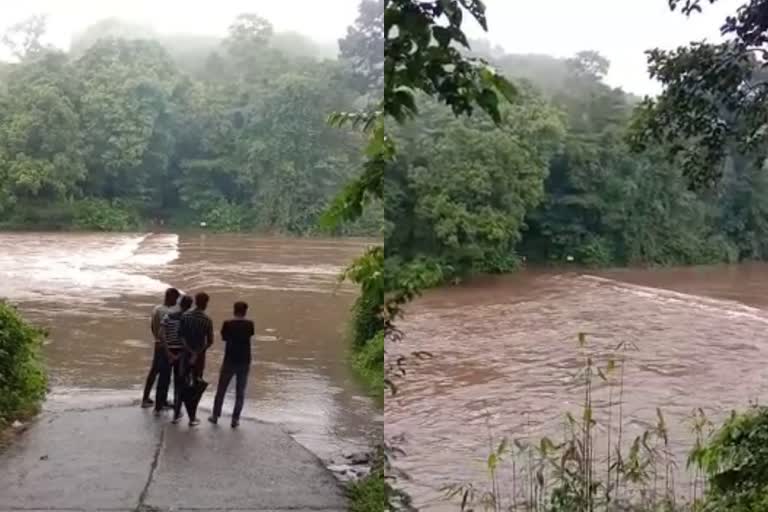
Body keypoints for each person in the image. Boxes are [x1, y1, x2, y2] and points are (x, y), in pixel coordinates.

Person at [209, 301, 255, 428]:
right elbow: (250, 335)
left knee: (221, 389)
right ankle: (235, 419)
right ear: (245, 311)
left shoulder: (227, 324)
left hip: (229, 359)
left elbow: (224, 338)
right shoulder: (250, 324)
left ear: (234, 310)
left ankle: (215, 416)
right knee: (240, 391)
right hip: (244, 360)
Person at [176, 292, 213, 426]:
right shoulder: (207, 320)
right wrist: (197, 353)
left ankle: (176, 414)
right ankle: (192, 417)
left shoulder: (185, 316)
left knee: (182, 384)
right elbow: (210, 341)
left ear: (196, 301)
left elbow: (180, 336)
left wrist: (189, 351)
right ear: (205, 303)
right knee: (196, 387)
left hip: (185, 356)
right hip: (199, 358)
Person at [142, 287, 180, 408]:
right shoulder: (167, 312)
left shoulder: (156, 309)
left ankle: (146, 397)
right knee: (164, 374)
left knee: (154, 371)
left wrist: (157, 339)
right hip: (165, 345)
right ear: (170, 297)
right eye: (176, 298)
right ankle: (161, 401)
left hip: (158, 343)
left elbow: (153, 327)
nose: (177, 301)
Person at [157, 295, 193, 417]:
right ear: (190, 306)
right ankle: (177, 409)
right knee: (179, 381)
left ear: (179, 303)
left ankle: (158, 406)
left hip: (167, 352)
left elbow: (161, 334)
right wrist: (180, 354)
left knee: (163, 380)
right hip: (181, 354)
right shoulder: (188, 319)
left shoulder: (169, 316)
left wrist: (168, 353)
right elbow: (187, 339)